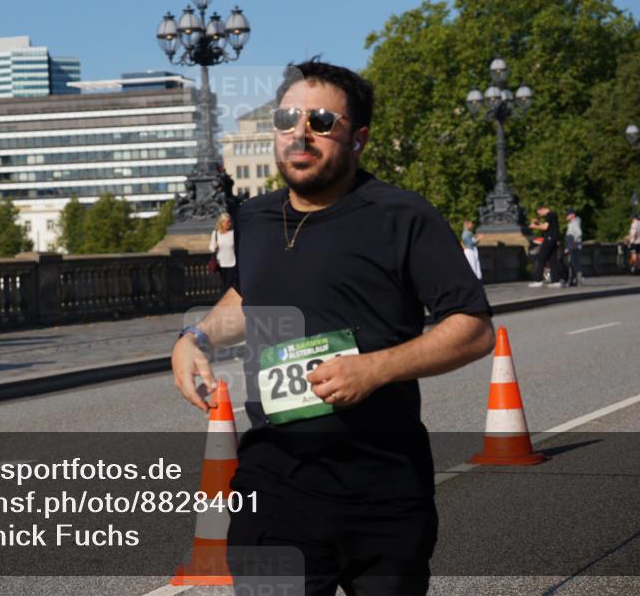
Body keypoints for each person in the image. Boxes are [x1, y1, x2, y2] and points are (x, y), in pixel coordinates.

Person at [170, 60, 494, 594]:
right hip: (274, 480)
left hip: (382, 484)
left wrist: (375, 368)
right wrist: (195, 337)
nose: (300, 134)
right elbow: (249, 295)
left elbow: (473, 326)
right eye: (287, 119)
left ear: (358, 138)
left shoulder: (401, 215)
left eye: (321, 121)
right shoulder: (252, 220)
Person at [528, 204, 566, 288]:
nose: (540, 215)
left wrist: (535, 226)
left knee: (541, 258)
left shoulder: (549, 215)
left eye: (539, 213)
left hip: (549, 239)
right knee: (552, 260)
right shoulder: (553, 214)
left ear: (542, 209)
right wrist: (538, 223)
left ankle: (538, 280)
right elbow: (548, 226)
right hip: (554, 239)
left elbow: (545, 227)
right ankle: (556, 281)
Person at [209, 213, 237, 290]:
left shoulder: (233, 233)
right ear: (222, 222)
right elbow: (211, 247)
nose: (229, 224)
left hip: (232, 263)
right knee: (224, 285)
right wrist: (215, 247)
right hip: (220, 264)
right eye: (227, 222)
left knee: (230, 286)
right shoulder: (215, 233)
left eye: (230, 222)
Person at [564, 208, 583, 287]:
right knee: (572, 263)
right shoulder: (573, 222)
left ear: (572, 215)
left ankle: (577, 280)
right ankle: (573, 280)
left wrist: (573, 242)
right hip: (573, 246)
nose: (566, 216)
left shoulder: (574, 222)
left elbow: (579, 232)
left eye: (568, 214)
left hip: (574, 246)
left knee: (574, 263)